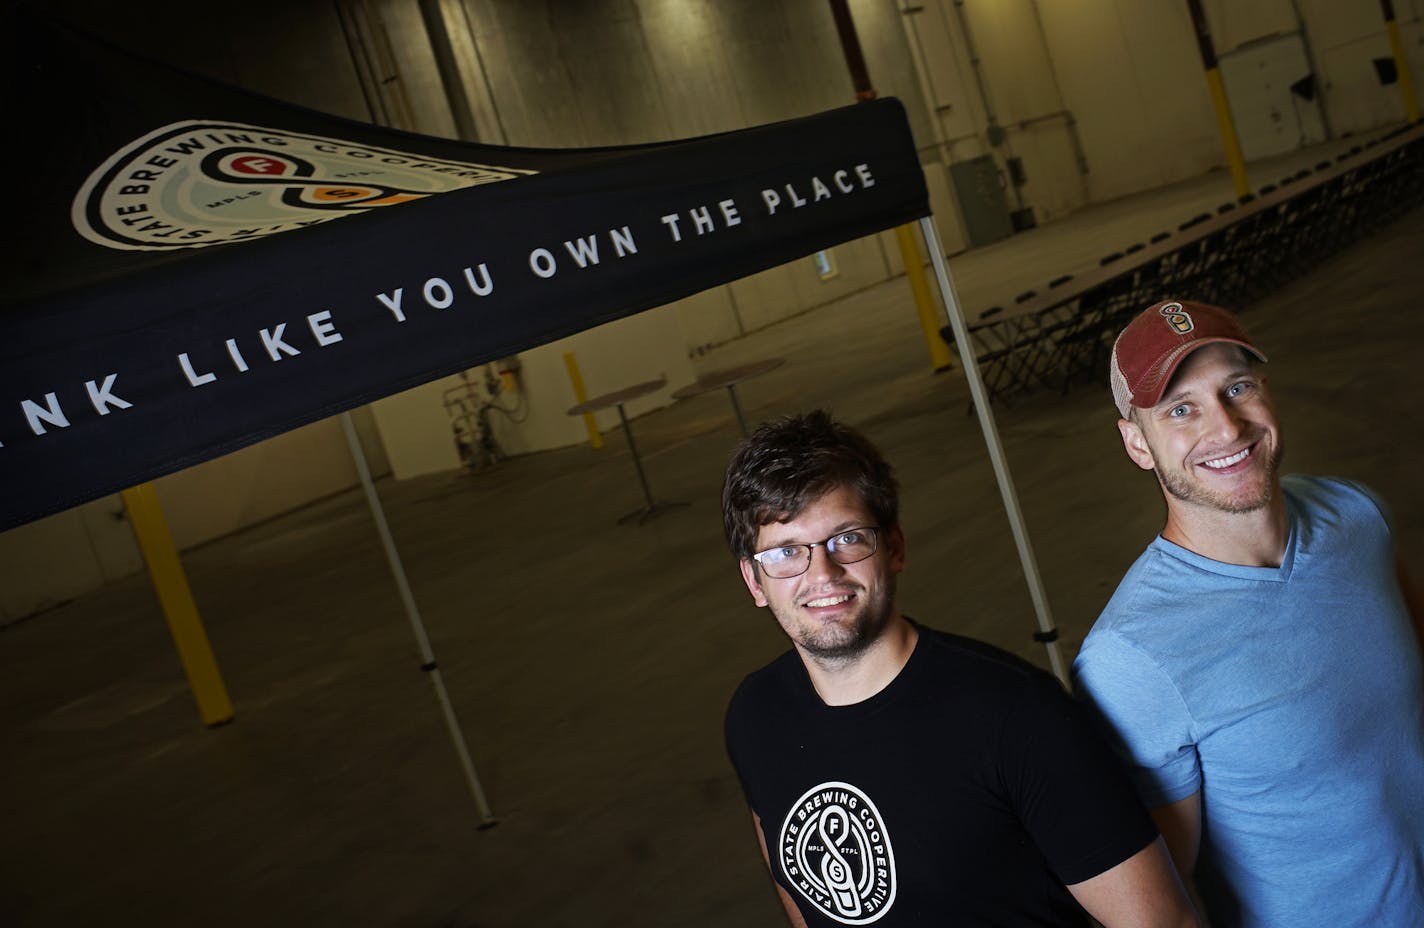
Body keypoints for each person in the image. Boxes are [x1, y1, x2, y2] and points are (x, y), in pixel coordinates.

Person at [721, 410, 1200, 927]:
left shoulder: (1018, 719)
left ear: (895, 547)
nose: (822, 572)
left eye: (847, 539)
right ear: (754, 581)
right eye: (786, 552)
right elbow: (802, 898)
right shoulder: (755, 717)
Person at [1072, 299, 1424, 927]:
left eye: (1237, 387)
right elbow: (1168, 906)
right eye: (1181, 409)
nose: (1228, 428)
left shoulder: (1356, 514)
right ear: (1137, 444)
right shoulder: (1132, 660)